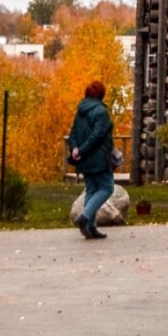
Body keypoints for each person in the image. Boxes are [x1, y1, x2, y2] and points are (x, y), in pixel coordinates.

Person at [68, 80, 115, 239]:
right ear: (101, 95)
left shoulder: (80, 111)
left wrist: (75, 149)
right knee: (107, 188)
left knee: (92, 189)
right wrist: (82, 149)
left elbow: (73, 132)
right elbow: (98, 135)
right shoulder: (101, 112)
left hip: (83, 157)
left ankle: (91, 227)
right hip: (98, 157)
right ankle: (85, 217)